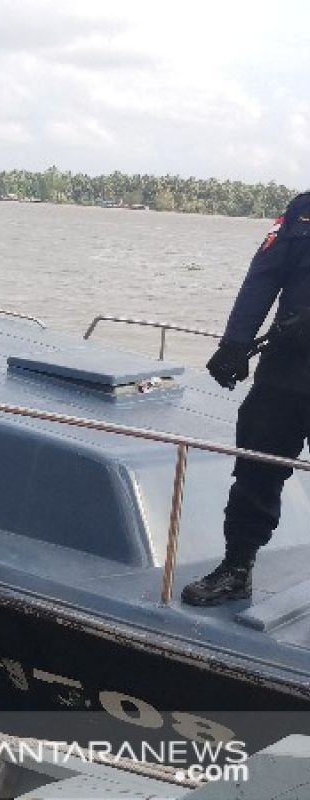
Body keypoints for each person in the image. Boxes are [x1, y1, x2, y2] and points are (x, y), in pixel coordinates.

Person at [182, 191, 310, 606]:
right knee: (256, 467)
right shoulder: (302, 210)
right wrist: (235, 343)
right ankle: (236, 569)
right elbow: (265, 274)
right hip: (285, 369)